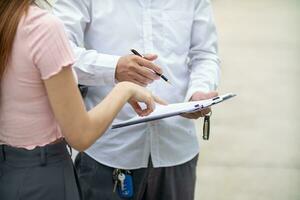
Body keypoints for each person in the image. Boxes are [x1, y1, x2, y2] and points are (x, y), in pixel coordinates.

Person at [53, 0, 220, 199]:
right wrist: (113, 68)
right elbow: (58, 54)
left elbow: (205, 54)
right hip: (109, 151)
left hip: (176, 146)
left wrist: (198, 92)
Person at [0, 1, 163, 200]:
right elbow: (80, 135)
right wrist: (124, 89)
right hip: (43, 176)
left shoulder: (9, 19)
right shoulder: (42, 27)